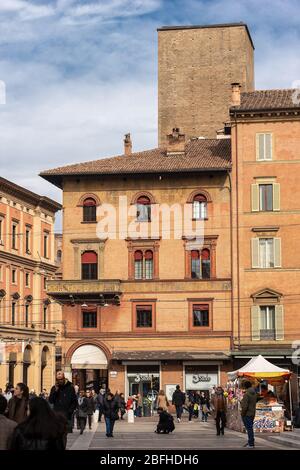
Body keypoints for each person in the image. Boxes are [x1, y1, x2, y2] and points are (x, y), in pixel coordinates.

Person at [240, 380, 257, 448]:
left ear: (245, 386)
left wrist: (242, 413)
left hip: (247, 414)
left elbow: (245, 406)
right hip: (252, 413)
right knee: (250, 428)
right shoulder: (254, 393)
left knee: (249, 429)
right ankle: (250, 442)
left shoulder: (247, 394)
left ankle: (251, 443)